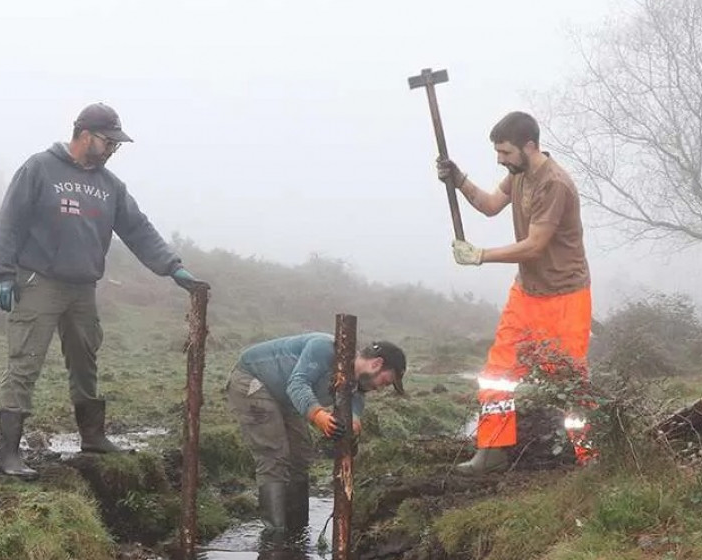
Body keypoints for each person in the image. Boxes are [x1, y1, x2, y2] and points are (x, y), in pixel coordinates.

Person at [0, 102, 209, 479]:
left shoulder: (110, 186)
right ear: (85, 134)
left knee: (85, 361)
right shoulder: (39, 168)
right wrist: (3, 274)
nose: (112, 150)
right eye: (109, 142)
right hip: (38, 280)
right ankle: (8, 453)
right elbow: (11, 219)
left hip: (83, 287)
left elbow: (138, 229)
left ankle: (93, 437)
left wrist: (174, 267)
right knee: (25, 362)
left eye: (116, 145)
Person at [436, 111, 593, 474]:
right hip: (527, 293)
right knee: (497, 372)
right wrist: (459, 180)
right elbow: (491, 205)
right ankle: (492, 450)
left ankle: (589, 455)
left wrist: (480, 256)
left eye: (505, 152)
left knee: (570, 379)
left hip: (566, 295)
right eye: (498, 153)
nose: (500, 160)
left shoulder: (554, 184)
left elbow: (535, 246)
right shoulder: (518, 174)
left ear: (530, 146)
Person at [227, 333, 406, 540]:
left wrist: (354, 422)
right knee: (274, 455)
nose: (380, 388)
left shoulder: (354, 381)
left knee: (300, 456)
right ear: (377, 364)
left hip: (285, 398)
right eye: (385, 381)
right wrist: (318, 415)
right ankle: (275, 537)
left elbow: (356, 399)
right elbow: (297, 384)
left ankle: (297, 531)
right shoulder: (325, 348)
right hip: (253, 380)